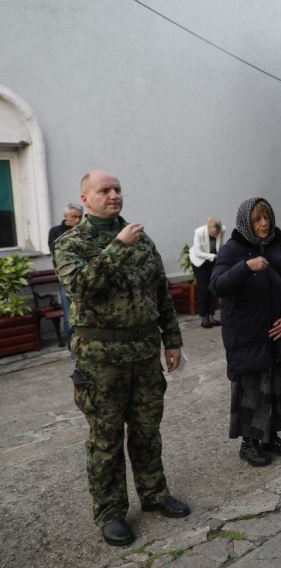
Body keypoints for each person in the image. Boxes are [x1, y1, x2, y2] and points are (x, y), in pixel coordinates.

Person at [53, 170, 190, 547]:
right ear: (86, 199)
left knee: (147, 432)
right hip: (101, 362)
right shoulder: (71, 243)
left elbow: (161, 294)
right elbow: (81, 286)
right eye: (104, 190)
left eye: (117, 190)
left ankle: (155, 494)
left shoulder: (142, 240)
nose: (113, 195)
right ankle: (110, 512)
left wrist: (172, 341)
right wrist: (117, 246)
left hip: (144, 355)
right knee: (106, 439)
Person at [210, 198, 281, 467]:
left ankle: (270, 437)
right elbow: (217, 286)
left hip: (274, 334)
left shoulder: (279, 247)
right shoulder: (232, 250)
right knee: (251, 389)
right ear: (246, 223)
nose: (264, 224)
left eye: (267, 217)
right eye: (257, 219)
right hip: (246, 334)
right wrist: (245, 267)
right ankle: (249, 444)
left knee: (273, 386)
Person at [49, 203, 83, 359]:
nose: (77, 220)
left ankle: (86, 349)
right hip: (66, 281)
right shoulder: (56, 232)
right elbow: (58, 255)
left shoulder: (85, 230)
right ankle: (73, 351)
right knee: (70, 319)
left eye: (80, 217)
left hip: (85, 280)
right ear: (65, 217)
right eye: (74, 217)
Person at [188, 217, 224, 328]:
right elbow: (198, 252)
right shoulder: (198, 232)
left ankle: (212, 317)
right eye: (212, 234)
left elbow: (220, 246)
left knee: (213, 287)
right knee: (204, 288)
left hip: (213, 260)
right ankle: (204, 319)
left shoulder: (222, 230)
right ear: (208, 229)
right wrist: (213, 256)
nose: (215, 236)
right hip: (199, 261)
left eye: (216, 234)